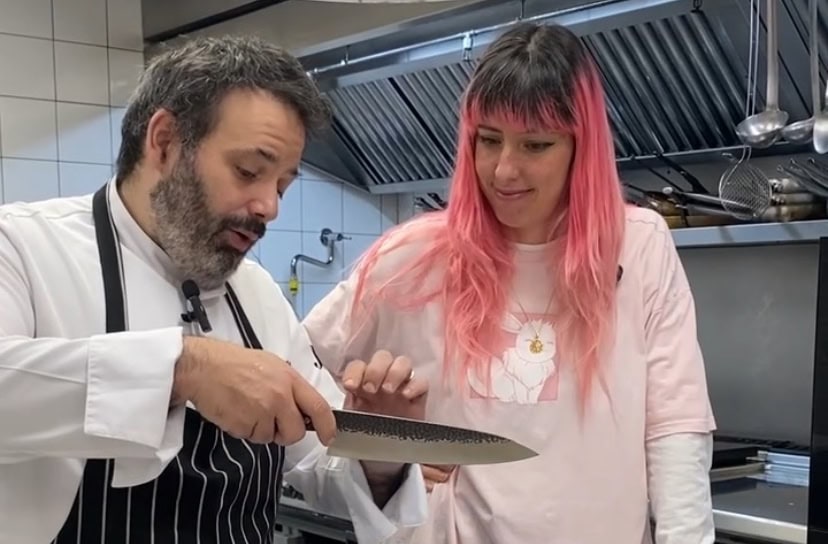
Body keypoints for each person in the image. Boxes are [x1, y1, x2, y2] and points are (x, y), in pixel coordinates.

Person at [0, 36, 430, 544]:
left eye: (282, 185)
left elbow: (320, 467)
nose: (270, 206)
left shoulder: (257, 294)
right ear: (164, 142)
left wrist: (378, 453)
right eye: (249, 172)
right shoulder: (23, 247)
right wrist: (184, 369)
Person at [303, 22, 717, 544]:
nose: (503, 170)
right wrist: (383, 456)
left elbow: (675, 427)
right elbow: (295, 369)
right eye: (488, 140)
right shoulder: (411, 258)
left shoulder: (638, 247)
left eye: (535, 145)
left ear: (581, 149)